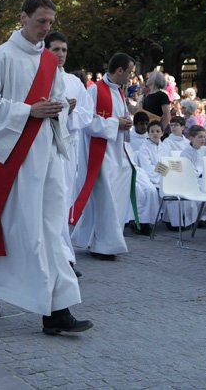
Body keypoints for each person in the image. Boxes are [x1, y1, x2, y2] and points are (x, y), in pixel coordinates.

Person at [0, 0, 91, 334]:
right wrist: (27, 111)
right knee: (9, 229)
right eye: (40, 22)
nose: (45, 29)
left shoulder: (50, 62)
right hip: (13, 159)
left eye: (50, 23)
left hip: (45, 156)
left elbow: (57, 98)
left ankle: (57, 311)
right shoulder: (2, 57)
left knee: (48, 232)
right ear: (23, 17)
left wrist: (59, 106)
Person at [70, 52, 135, 261]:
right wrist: (117, 123)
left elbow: (119, 117)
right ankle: (103, 247)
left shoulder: (119, 91)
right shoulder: (95, 91)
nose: (131, 77)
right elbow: (87, 123)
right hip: (100, 155)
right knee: (105, 201)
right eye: (130, 72)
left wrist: (125, 121)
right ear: (119, 70)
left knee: (113, 201)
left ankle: (102, 242)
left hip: (116, 154)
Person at [44, 31, 93, 276]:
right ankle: (60, 257)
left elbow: (87, 114)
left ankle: (65, 255)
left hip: (69, 147)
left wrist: (70, 112)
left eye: (64, 50)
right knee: (52, 202)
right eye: (56, 50)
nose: (61, 55)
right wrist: (61, 109)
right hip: (47, 146)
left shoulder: (74, 82)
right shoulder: (39, 77)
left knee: (64, 201)